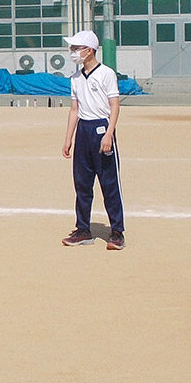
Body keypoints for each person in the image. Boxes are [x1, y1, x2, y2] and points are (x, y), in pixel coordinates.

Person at [60, 30, 124, 250]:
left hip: (101, 128)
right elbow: (74, 109)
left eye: (76, 48)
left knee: (109, 183)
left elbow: (114, 105)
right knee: (82, 183)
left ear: (89, 51)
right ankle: (83, 229)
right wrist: (68, 138)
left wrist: (109, 133)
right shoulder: (76, 78)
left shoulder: (106, 74)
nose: (73, 52)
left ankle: (117, 232)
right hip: (83, 133)